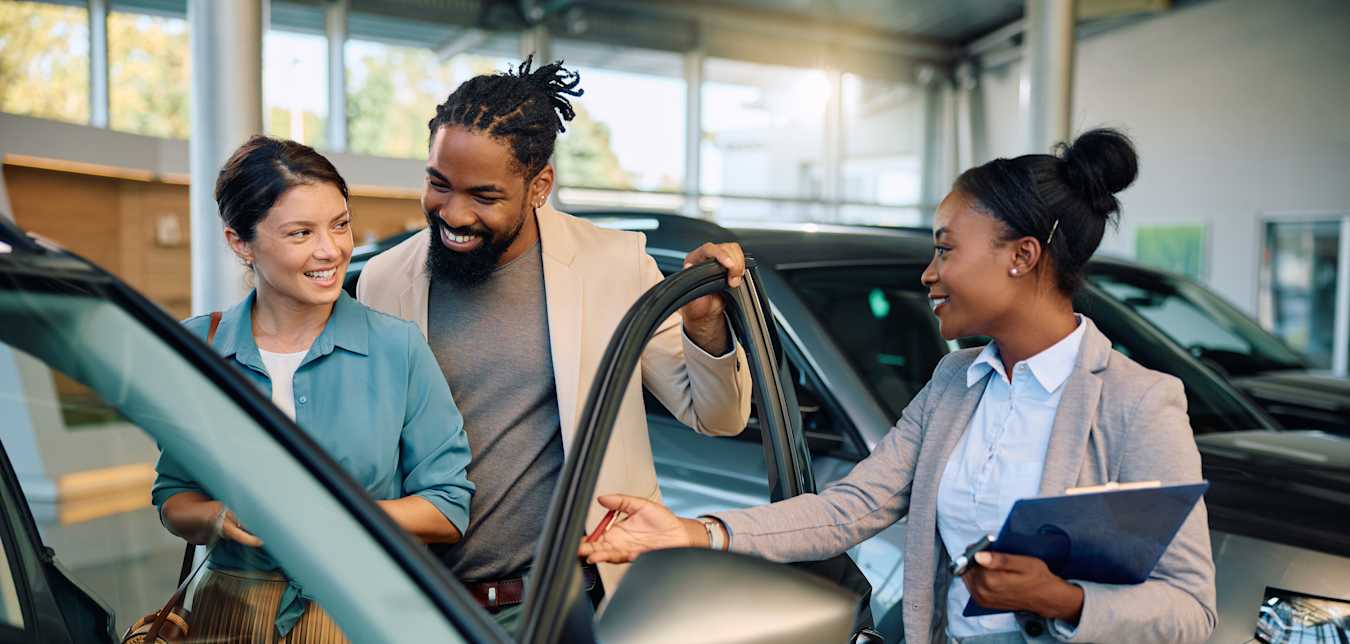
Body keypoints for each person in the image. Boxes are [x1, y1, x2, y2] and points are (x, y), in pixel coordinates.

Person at [579, 129, 1218, 644]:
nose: (929, 273)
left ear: (1021, 256)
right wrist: (692, 533)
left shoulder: (1137, 401)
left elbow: (1190, 611)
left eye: (946, 251)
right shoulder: (955, 381)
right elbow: (849, 508)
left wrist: (1064, 602)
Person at [355, 56, 752, 627]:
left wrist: (704, 320)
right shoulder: (386, 279)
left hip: (574, 605)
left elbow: (717, 417)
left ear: (539, 185)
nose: (453, 213)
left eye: (484, 196)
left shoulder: (613, 264)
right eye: (438, 184)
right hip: (424, 606)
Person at [153, 136, 475, 642]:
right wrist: (218, 518)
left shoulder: (397, 348)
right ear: (240, 241)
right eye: (301, 233)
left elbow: (448, 506)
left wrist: (335, 513)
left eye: (340, 224)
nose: (331, 250)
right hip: (227, 616)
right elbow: (173, 496)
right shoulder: (199, 346)